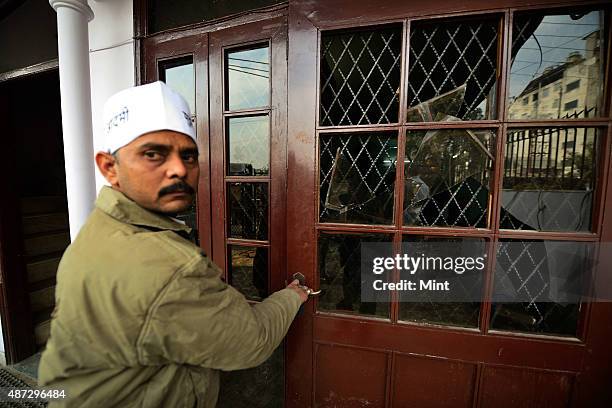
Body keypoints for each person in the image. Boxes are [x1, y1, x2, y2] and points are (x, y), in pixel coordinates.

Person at [38, 81, 310, 407]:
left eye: (189, 155)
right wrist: (293, 295)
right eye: (154, 154)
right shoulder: (169, 268)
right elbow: (252, 340)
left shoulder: (98, 230)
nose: (179, 169)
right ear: (110, 167)